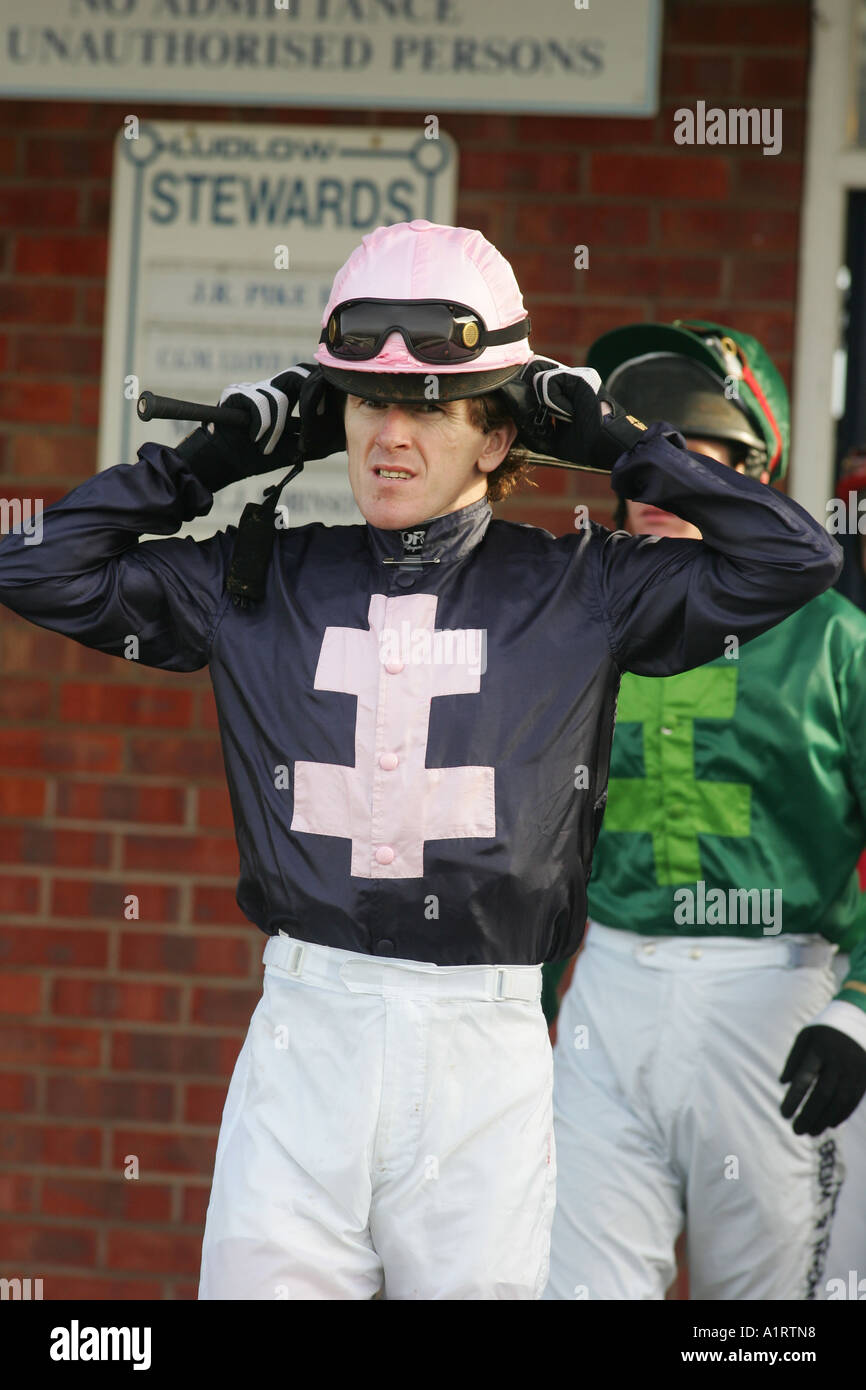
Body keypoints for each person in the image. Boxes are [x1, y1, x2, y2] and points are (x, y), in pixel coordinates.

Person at [0, 226, 842, 1301]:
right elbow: (37, 570)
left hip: (483, 1051)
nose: (389, 436)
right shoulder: (255, 577)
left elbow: (794, 554)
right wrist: (207, 461)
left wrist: (620, 439)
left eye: (431, 407)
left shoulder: (586, 586)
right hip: (304, 1035)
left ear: (498, 436)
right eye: (366, 403)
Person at [541, 319, 866, 1302]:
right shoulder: (569, 614)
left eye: (688, 452)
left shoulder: (834, 640)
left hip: (773, 1004)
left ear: (750, 465)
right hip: (603, 995)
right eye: (639, 453)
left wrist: (858, 1015)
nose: (656, 479)